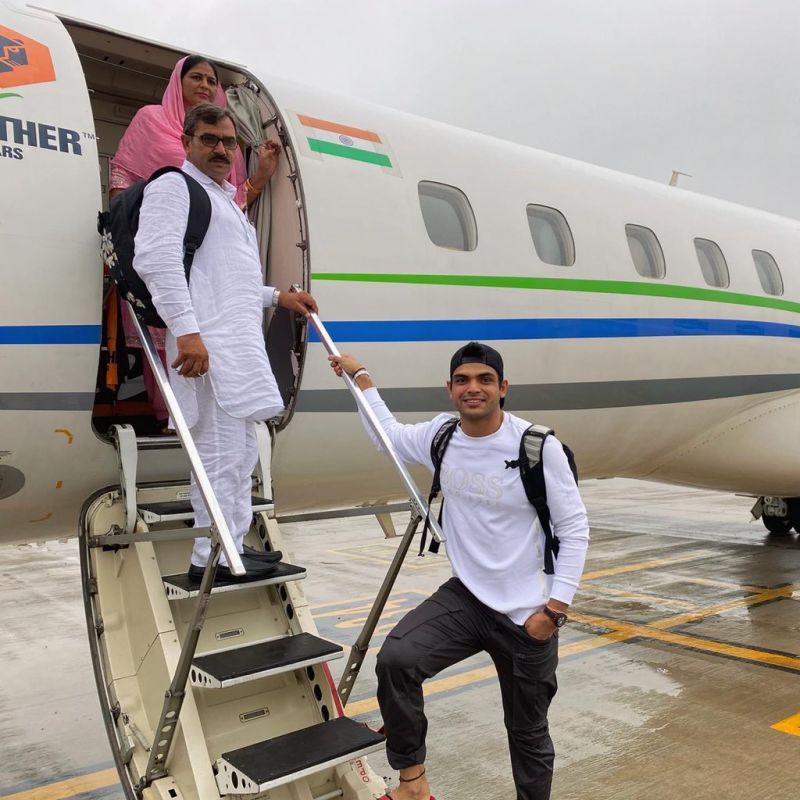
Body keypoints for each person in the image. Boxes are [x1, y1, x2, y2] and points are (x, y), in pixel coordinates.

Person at [329, 342, 590, 800]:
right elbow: (387, 435)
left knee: (528, 735)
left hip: (528, 612)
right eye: (464, 380)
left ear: (502, 388)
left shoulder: (537, 446)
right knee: (397, 661)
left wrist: (553, 611)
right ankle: (412, 783)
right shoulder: (442, 436)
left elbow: (575, 528)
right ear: (450, 389)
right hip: (468, 597)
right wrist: (360, 378)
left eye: (485, 380)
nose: (474, 388)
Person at [133, 103, 318, 580]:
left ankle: (231, 544)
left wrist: (280, 296)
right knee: (216, 454)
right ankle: (210, 560)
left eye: (228, 142)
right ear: (187, 142)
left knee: (238, 456)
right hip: (207, 349)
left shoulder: (224, 200)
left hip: (234, 350)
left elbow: (227, 285)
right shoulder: (175, 187)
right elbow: (155, 260)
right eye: (209, 139)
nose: (220, 149)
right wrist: (187, 331)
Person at [110, 55, 280, 431]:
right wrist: (125, 235)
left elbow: (227, 203)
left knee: (234, 447)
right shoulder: (154, 127)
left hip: (216, 310)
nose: (205, 84)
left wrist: (262, 175)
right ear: (188, 142)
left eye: (211, 80)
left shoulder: (220, 155)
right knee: (176, 364)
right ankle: (163, 419)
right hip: (171, 273)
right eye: (196, 77)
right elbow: (123, 181)